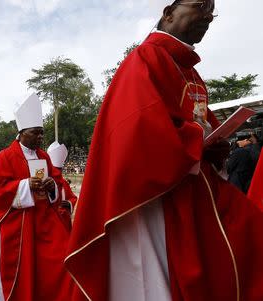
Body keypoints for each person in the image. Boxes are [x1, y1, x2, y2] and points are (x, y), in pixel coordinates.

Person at [65, 1, 263, 300]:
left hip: (192, 185)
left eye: (212, 11)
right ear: (168, 13)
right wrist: (198, 138)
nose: (208, 16)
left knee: (247, 234)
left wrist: (215, 145)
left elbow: (198, 120)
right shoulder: (145, 57)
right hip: (154, 198)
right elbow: (138, 128)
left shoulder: (191, 74)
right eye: (200, 6)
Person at [0, 94, 73, 301]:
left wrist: (52, 188)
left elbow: (57, 185)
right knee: (19, 279)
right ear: (22, 133)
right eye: (36, 133)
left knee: (59, 265)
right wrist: (25, 185)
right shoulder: (4, 159)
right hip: (16, 228)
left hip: (43, 226)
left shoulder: (44, 157)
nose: (40, 138)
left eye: (42, 134)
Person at [47, 141, 78, 230]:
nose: (58, 172)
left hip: (64, 219)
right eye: (55, 169)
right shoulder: (45, 181)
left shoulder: (63, 182)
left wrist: (68, 203)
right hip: (50, 220)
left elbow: (72, 197)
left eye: (60, 169)